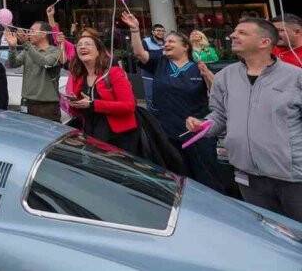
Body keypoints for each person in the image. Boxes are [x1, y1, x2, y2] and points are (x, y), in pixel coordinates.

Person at [187, 18, 302, 220]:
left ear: (264, 42)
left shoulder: (295, 77)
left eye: (242, 33)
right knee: (266, 237)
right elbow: (219, 114)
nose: (233, 35)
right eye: (234, 31)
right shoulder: (224, 76)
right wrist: (204, 125)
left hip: (292, 178)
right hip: (247, 175)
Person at [123, 13, 222, 191]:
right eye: (165, 41)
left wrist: (208, 75)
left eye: (171, 42)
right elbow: (139, 52)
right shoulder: (160, 62)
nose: (166, 44)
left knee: (205, 176)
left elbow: (217, 93)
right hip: (166, 131)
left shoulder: (198, 66)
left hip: (196, 131)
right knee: (174, 177)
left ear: (185, 47)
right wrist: (135, 29)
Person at [66, 31, 140, 154]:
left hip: (118, 137)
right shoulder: (79, 77)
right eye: (79, 45)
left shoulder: (114, 73)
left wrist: (93, 104)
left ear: (98, 51)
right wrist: (75, 104)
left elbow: (129, 106)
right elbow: (79, 111)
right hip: (91, 133)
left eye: (88, 44)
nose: (83, 47)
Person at [7, 20, 63, 122]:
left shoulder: (55, 51)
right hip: (27, 102)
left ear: (43, 34)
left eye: (32, 31)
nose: (28, 34)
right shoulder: (28, 49)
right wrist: (12, 47)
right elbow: (13, 64)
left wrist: (26, 44)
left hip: (46, 106)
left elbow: (45, 62)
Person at [140, 22, 167, 109]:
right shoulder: (146, 41)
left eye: (163, 31)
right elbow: (145, 57)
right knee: (150, 97)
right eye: (158, 30)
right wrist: (161, 53)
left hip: (163, 72)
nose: (161, 32)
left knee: (164, 95)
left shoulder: (166, 42)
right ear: (153, 32)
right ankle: (151, 118)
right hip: (149, 73)